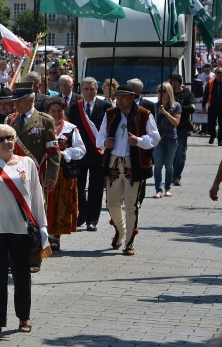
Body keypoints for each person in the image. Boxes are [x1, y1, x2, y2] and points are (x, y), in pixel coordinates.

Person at [0, 124, 48, 340]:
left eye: (10, 137)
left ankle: (24, 317)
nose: (7, 141)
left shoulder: (27, 164)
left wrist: (42, 226)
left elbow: (36, 195)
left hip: (20, 229)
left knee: (22, 275)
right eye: (1, 139)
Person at [96, 85, 160, 256]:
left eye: (123, 97)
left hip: (134, 163)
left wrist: (138, 141)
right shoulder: (110, 113)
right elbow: (99, 136)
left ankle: (129, 241)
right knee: (112, 203)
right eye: (118, 97)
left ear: (132, 97)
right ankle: (121, 230)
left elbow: (155, 138)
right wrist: (104, 143)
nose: (120, 100)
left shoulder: (144, 114)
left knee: (131, 205)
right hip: (113, 163)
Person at [7, 82, 60, 272]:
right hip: (12, 178)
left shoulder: (45, 121)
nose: (16, 105)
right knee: (13, 217)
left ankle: (34, 259)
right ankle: (13, 258)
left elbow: (53, 152)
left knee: (34, 218)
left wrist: (51, 177)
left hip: (35, 178)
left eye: (19, 101)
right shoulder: (10, 120)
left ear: (30, 99)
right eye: (15, 101)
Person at [67, 77, 111, 231]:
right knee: (79, 187)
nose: (89, 92)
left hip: (98, 153)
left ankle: (92, 219)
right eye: (86, 89)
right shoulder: (74, 107)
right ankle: (82, 214)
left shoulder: (106, 106)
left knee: (95, 188)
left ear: (96, 90)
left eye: (92, 89)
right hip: (80, 154)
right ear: (81, 90)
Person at [45, 98, 86, 251]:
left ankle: (56, 236)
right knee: (45, 203)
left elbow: (81, 150)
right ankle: (45, 234)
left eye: (59, 111)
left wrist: (65, 153)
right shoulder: (42, 127)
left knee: (60, 204)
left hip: (63, 173)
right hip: (45, 171)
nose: (56, 114)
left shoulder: (71, 129)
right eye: (53, 111)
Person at [153, 82, 182, 199]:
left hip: (171, 139)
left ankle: (167, 187)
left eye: (163, 91)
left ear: (169, 92)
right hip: (159, 140)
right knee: (158, 165)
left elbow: (176, 123)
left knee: (169, 166)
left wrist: (165, 113)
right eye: (159, 91)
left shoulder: (176, 106)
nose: (161, 93)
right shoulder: (156, 105)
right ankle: (158, 189)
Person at [168, 73, 195, 186]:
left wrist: (178, 107)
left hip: (182, 127)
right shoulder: (169, 93)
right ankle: (172, 174)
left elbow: (192, 108)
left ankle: (177, 177)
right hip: (170, 127)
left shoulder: (188, 94)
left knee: (180, 152)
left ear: (177, 82)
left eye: (171, 82)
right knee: (172, 153)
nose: (169, 84)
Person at [202, 67, 222, 145]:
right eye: (218, 73)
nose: (220, 74)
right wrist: (203, 105)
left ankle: (220, 140)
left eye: (221, 73)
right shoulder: (211, 82)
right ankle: (212, 136)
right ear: (215, 74)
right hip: (212, 106)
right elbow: (206, 94)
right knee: (211, 123)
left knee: (221, 124)